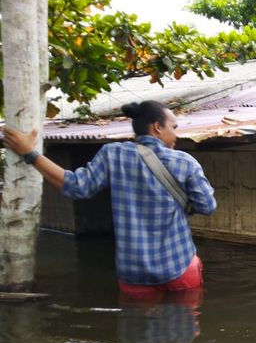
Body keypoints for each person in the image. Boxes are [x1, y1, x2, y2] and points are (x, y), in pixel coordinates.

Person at [2, 100, 217, 295]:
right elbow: (207, 206)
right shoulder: (185, 162)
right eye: (174, 127)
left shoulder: (112, 154)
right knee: (183, 329)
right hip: (178, 267)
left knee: (138, 332)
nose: (176, 134)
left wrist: (30, 153)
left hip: (135, 274)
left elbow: (76, 186)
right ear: (157, 127)